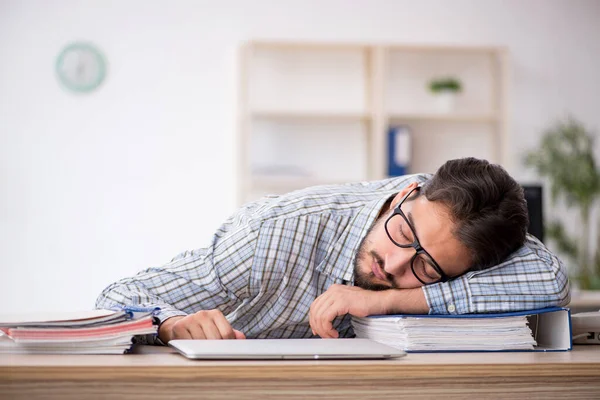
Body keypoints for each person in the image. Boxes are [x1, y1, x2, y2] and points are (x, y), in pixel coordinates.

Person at [96, 157, 570, 345]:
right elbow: (117, 297)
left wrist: (383, 300)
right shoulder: (272, 233)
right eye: (404, 233)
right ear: (407, 193)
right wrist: (173, 323)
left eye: (426, 266)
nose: (396, 265)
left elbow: (550, 279)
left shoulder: (459, 239)